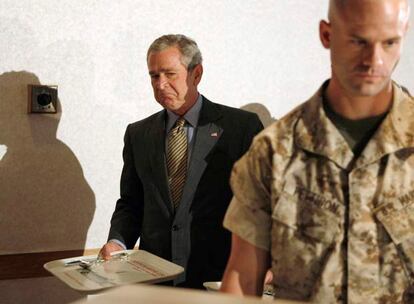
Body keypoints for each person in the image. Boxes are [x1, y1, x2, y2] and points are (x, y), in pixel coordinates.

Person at [220, 0, 414, 303]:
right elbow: (243, 278)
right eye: (358, 41)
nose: (374, 60)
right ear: (327, 34)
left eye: (389, 43)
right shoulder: (274, 151)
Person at [99, 34, 263, 289]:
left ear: (196, 74)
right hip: (154, 279)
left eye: (169, 74)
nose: (160, 84)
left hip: (219, 279)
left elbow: (261, 207)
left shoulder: (240, 128)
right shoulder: (138, 134)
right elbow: (131, 203)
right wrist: (118, 242)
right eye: (154, 76)